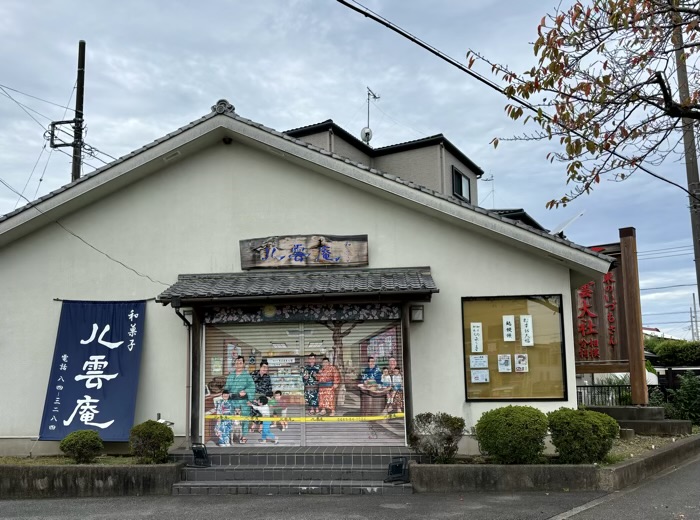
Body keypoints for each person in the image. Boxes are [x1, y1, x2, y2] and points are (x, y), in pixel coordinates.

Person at [224, 355, 255, 443]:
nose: (238, 364)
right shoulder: (231, 375)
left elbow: (252, 387)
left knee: (244, 418)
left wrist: (245, 391)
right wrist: (227, 393)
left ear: (243, 364)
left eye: (240, 363)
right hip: (232, 400)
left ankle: (243, 436)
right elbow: (226, 387)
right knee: (231, 418)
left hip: (243, 401)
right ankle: (230, 436)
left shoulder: (247, 376)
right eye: (237, 362)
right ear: (234, 364)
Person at [250, 361, 272, 433]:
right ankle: (253, 426)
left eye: (267, 367)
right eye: (264, 367)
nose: (265, 369)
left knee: (263, 412)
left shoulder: (267, 376)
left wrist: (269, 396)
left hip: (263, 398)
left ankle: (260, 428)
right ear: (260, 367)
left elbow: (269, 387)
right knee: (254, 411)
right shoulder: (253, 374)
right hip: (254, 396)